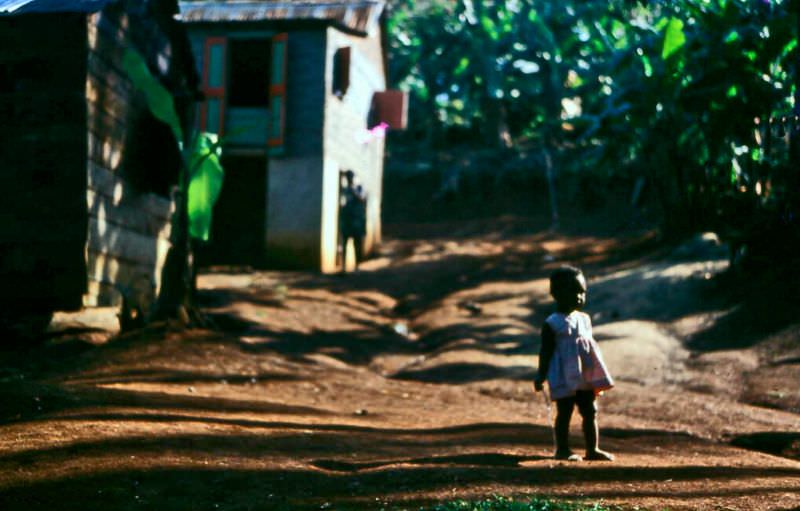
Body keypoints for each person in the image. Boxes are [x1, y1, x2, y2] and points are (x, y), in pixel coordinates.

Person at [534, 265, 615, 462]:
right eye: (574, 291)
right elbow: (546, 351)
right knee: (565, 411)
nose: (579, 296)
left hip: (585, 375)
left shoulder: (585, 320)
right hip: (563, 374)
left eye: (582, 292)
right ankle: (562, 449)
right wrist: (541, 375)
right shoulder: (552, 323)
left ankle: (592, 449)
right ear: (556, 293)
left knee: (590, 410)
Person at [339, 170, 367, 271]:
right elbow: (342, 204)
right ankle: (343, 267)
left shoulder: (359, 188)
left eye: (350, 177)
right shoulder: (345, 190)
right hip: (347, 221)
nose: (349, 179)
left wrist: (353, 191)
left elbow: (362, 199)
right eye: (347, 177)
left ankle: (357, 266)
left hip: (357, 221)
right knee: (345, 244)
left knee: (357, 245)